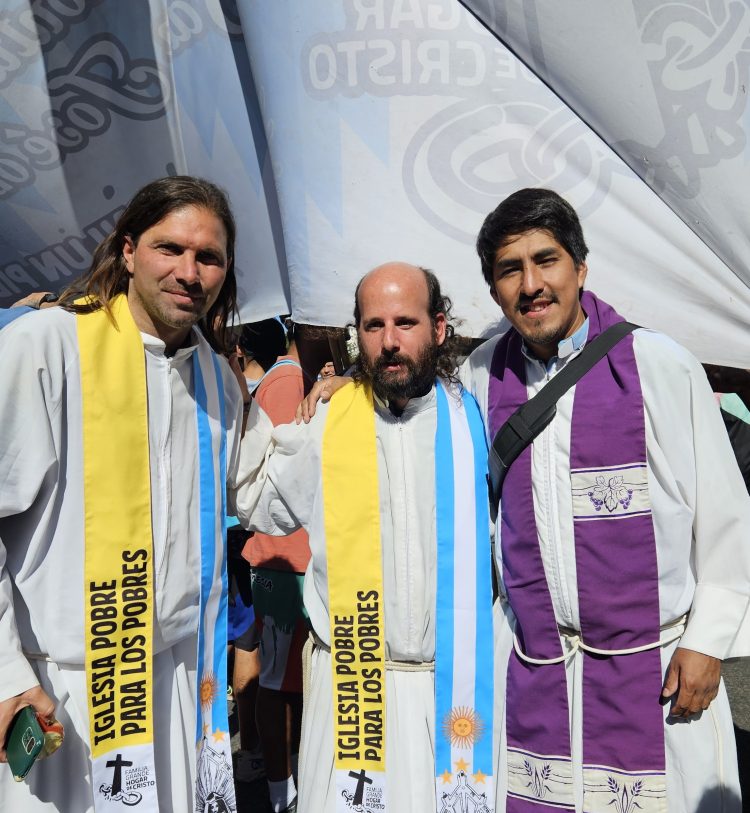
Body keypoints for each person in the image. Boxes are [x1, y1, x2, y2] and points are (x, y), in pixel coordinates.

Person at [461, 188, 750, 812]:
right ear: (493, 291)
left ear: (581, 267)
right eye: (510, 270)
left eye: (547, 260)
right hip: (537, 667)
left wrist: (708, 642)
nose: (531, 284)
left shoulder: (660, 365)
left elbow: (728, 518)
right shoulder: (481, 377)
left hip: (658, 669)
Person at [0, 176, 247, 812]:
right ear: (128, 250)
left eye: (209, 257)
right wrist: (5, 676)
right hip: (61, 692)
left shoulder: (218, 381)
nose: (189, 272)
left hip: (172, 688)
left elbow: (268, 484)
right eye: (170, 249)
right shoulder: (44, 347)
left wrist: (345, 399)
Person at [234, 264, 496, 813]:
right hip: (351, 692)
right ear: (357, 334)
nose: (390, 341)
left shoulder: (478, 409)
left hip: (452, 692)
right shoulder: (328, 420)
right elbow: (257, 499)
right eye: (374, 326)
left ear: (440, 327)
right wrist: (232, 395)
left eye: (406, 322)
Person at [241, 320, 313, 813]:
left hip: (293, 556)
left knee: (290, 677)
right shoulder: (289, 382)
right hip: (284, 559)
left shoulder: (291, 377)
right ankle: (278, 791)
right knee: (277, 679)